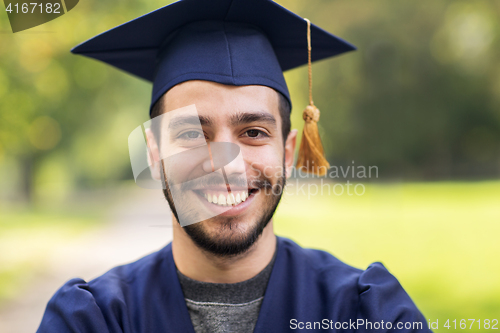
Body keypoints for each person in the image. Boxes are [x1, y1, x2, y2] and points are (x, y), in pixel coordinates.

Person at [37, 0, 431, 332]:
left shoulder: (368, 313)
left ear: (289, 152)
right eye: (192, 134)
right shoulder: (95, 320)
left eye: (254, 132)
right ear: (154, 154)